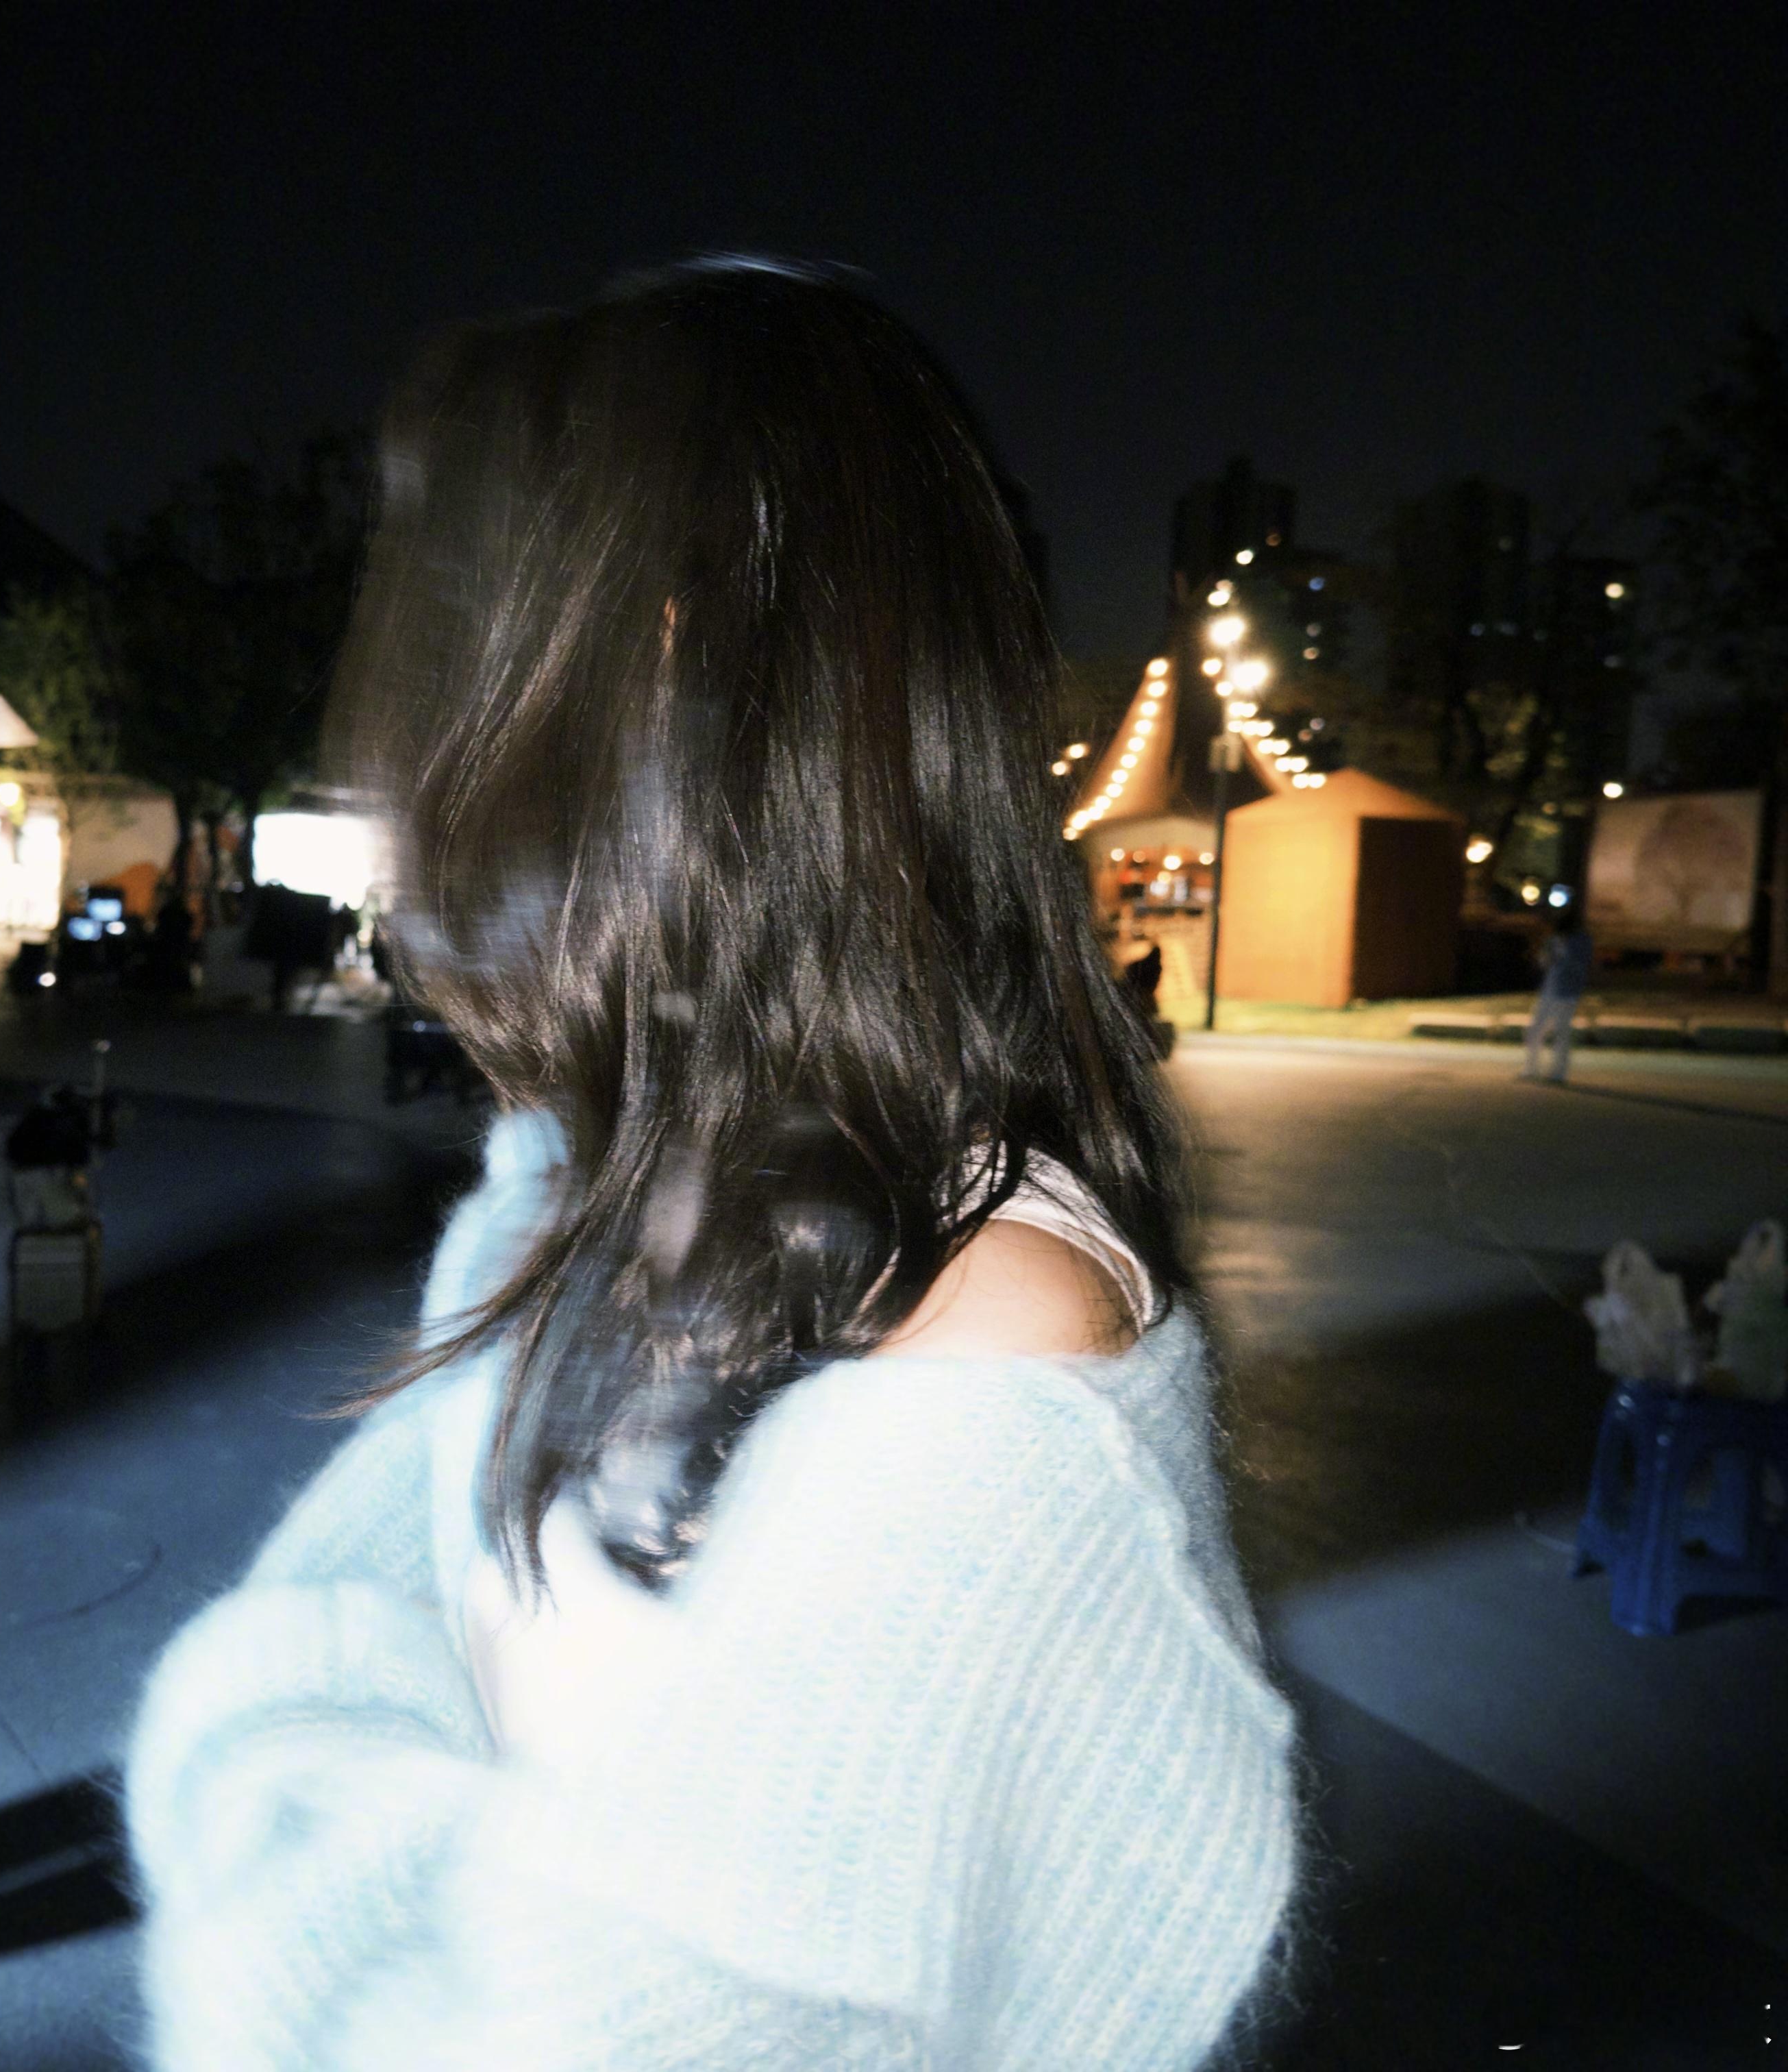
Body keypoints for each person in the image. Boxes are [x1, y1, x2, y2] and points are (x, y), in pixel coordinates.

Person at [124, 260, 1310, 2069]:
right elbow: (341, 1604)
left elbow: (499, 2002)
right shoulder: (577, 1182)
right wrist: (302, 1749)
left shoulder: (988, 1350)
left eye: (455, 624)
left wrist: (277, 1786)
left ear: (671, 663)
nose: (392, 736)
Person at [1521, 900, 1595, 1083]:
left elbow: (1580, 966)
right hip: (1550, 990)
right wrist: (1547, 952)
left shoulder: (1581, 940)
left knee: (1561, 1032)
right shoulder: (1554, 939)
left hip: (1567, 992)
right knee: (1536, 1029)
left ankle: (1558, 1072)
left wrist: (1563, 952)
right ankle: (1531, 1069)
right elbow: (1544, 963)